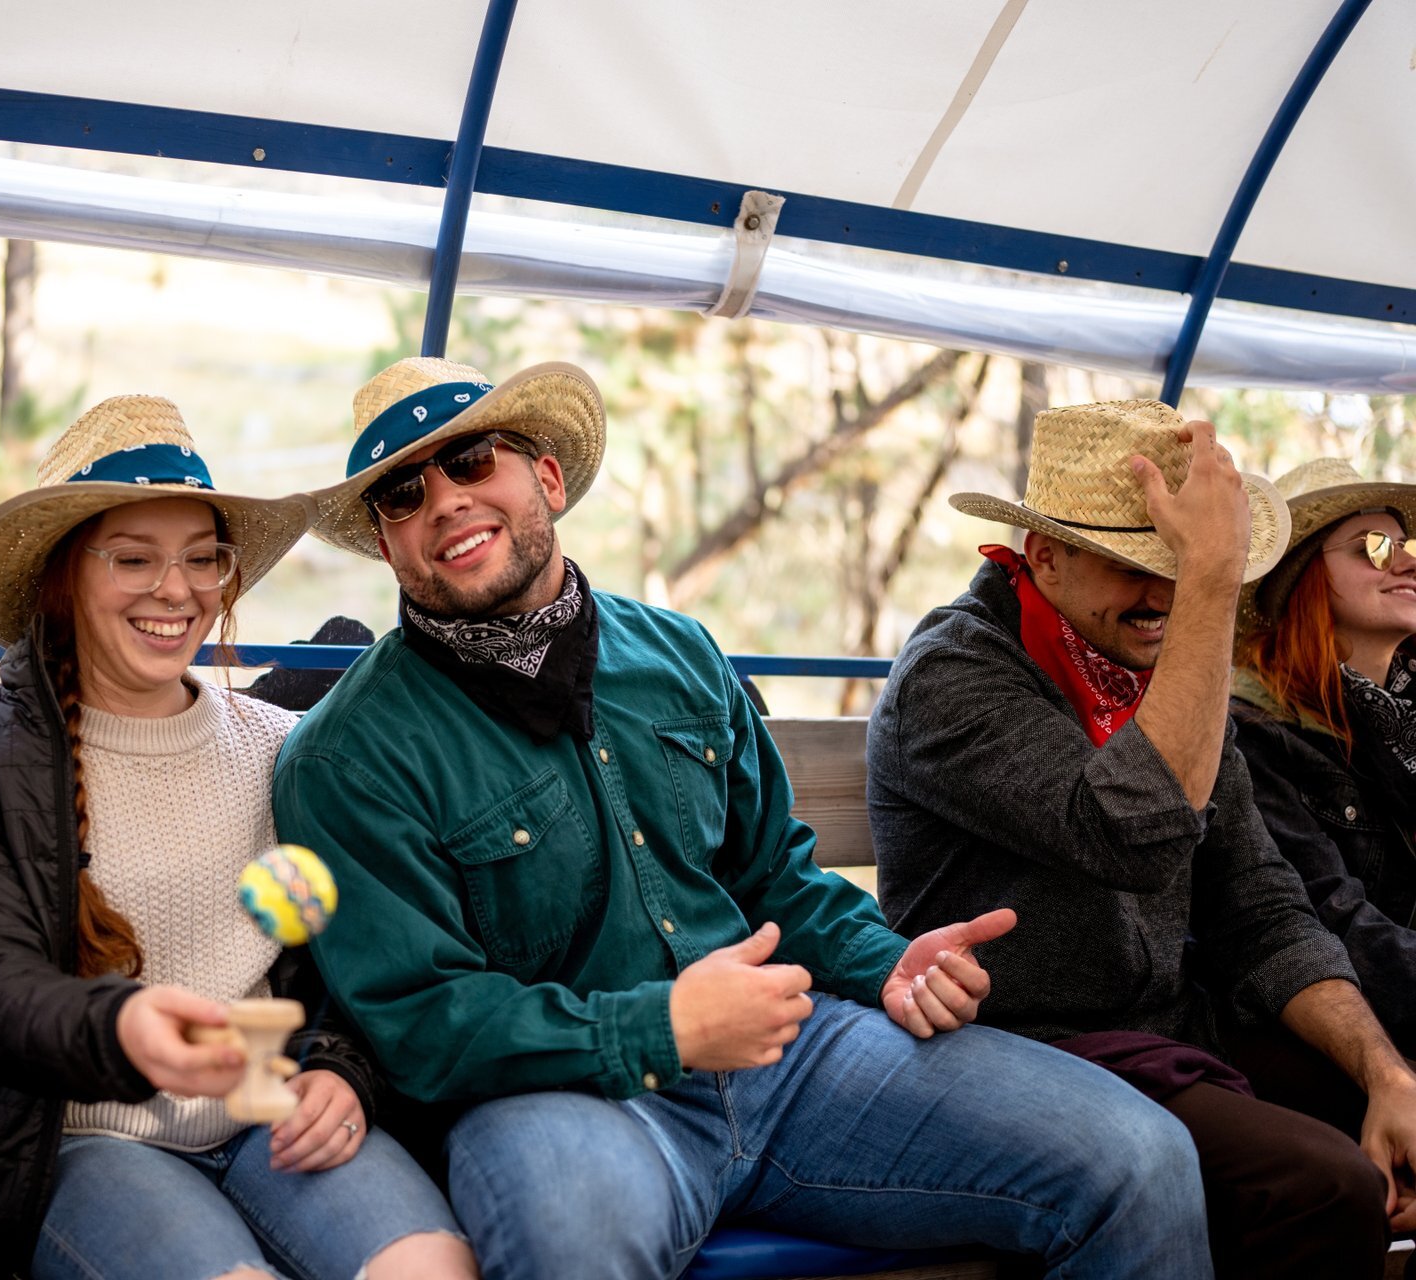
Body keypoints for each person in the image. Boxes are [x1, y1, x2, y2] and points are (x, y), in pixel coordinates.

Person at [272, 357, 1213, 1280]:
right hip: (561, 1095)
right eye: (402, 493)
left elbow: (776, 879)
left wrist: (890, 961)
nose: (443, 500)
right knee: (570, 1242)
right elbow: (423, 1023)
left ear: (547, 478)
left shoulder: (676, 652)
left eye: (473, 461)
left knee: (1143, 1157)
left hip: (790, 1049)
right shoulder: (347, 754)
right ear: (389, 543)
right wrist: (663, 1027)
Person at [0, 397, 475, 1280]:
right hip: (81, 1140)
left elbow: (362, 954)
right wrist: (125, 1028)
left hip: (267, 1114)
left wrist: (341, 1071)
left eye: (203, 560)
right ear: (62, 576)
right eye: (134, 559)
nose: (178, 590)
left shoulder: (282, 748)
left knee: (433, 1269)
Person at [868, 400, 1415, 1278]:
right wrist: (1209, 581)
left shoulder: (1162, 677)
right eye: (1133, 564)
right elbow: (1134, 833)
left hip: (1170, 1028)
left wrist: (1388, 1074)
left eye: (1178, 566)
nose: (1162, 595)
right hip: (1013, 1048)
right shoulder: (952, 673)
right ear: (1041, 553)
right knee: (1325, 1185)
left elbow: (1264, 909)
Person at [1234, 458, 1416, 1057]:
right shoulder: (1254, 733)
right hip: (1320, 1044)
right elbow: (1330, 920)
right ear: (1303, 576)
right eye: (1374, 547)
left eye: (1407, 543)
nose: (1408, 560)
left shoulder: (1402, 720)